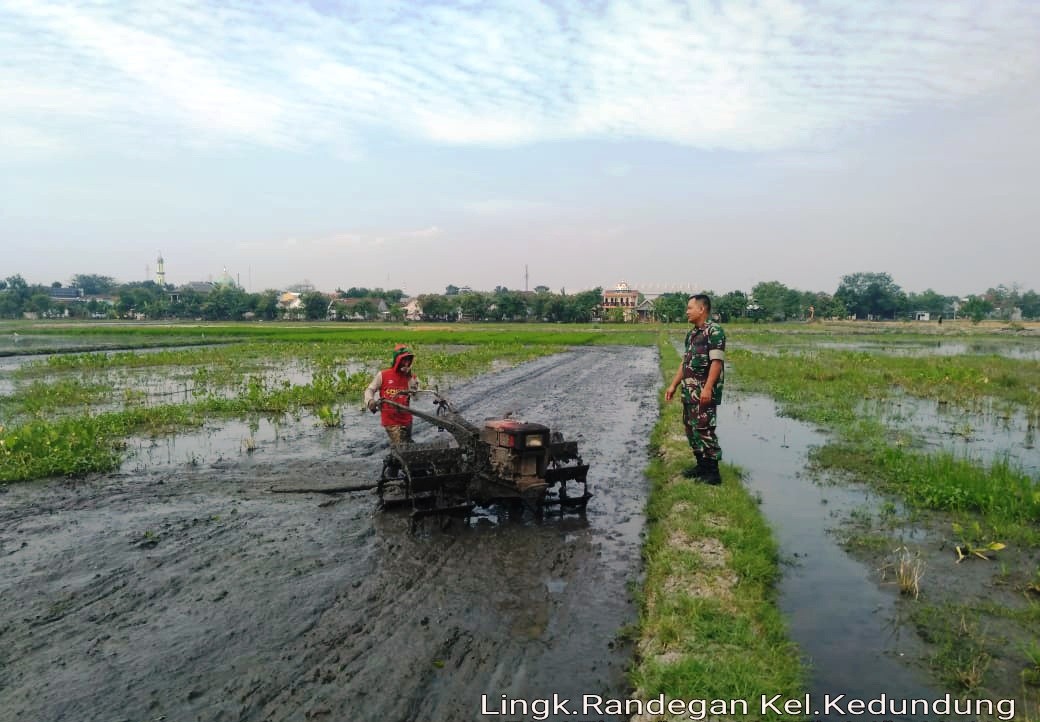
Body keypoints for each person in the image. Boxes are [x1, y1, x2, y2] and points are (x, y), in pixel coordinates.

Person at [664, 294, 725, 484]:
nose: (687, 312)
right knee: (691, 430)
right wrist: (673, 385)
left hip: (704, 393)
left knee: (705, 430)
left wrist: (707, 389)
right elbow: (685, 363)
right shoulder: (691, 334)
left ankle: (713, 473)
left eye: (690, 308)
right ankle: (701, 465)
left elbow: (716, 362)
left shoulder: (714, 332)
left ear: (702, 309)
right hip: (689, 392)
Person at [364, 344, 420, 445]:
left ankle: (395, 457)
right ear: (397, 360)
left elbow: (416, 397)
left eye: (408, 360)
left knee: (407, 444)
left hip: (406, 418)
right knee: (400, 444)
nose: (406, 363)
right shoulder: (383, 375)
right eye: (403, 360)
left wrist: (410, 378)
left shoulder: (411, 378)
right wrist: (370, 401)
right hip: (390, 420)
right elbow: (370, 390)